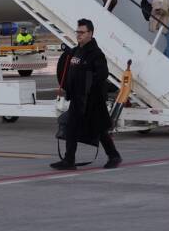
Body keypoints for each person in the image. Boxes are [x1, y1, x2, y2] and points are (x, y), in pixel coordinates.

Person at [51, 19, 122, 170]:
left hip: (92, 100)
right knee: (71, 128)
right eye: (77, 32)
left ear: (90, 33)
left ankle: (114, 156)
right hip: (77, 99)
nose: (79, 35)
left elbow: (102, 74)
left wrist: (88, 87)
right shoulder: (77, 51)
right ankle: (69, 160)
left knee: (100, 129)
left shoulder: (96, 54)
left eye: (82, 32)